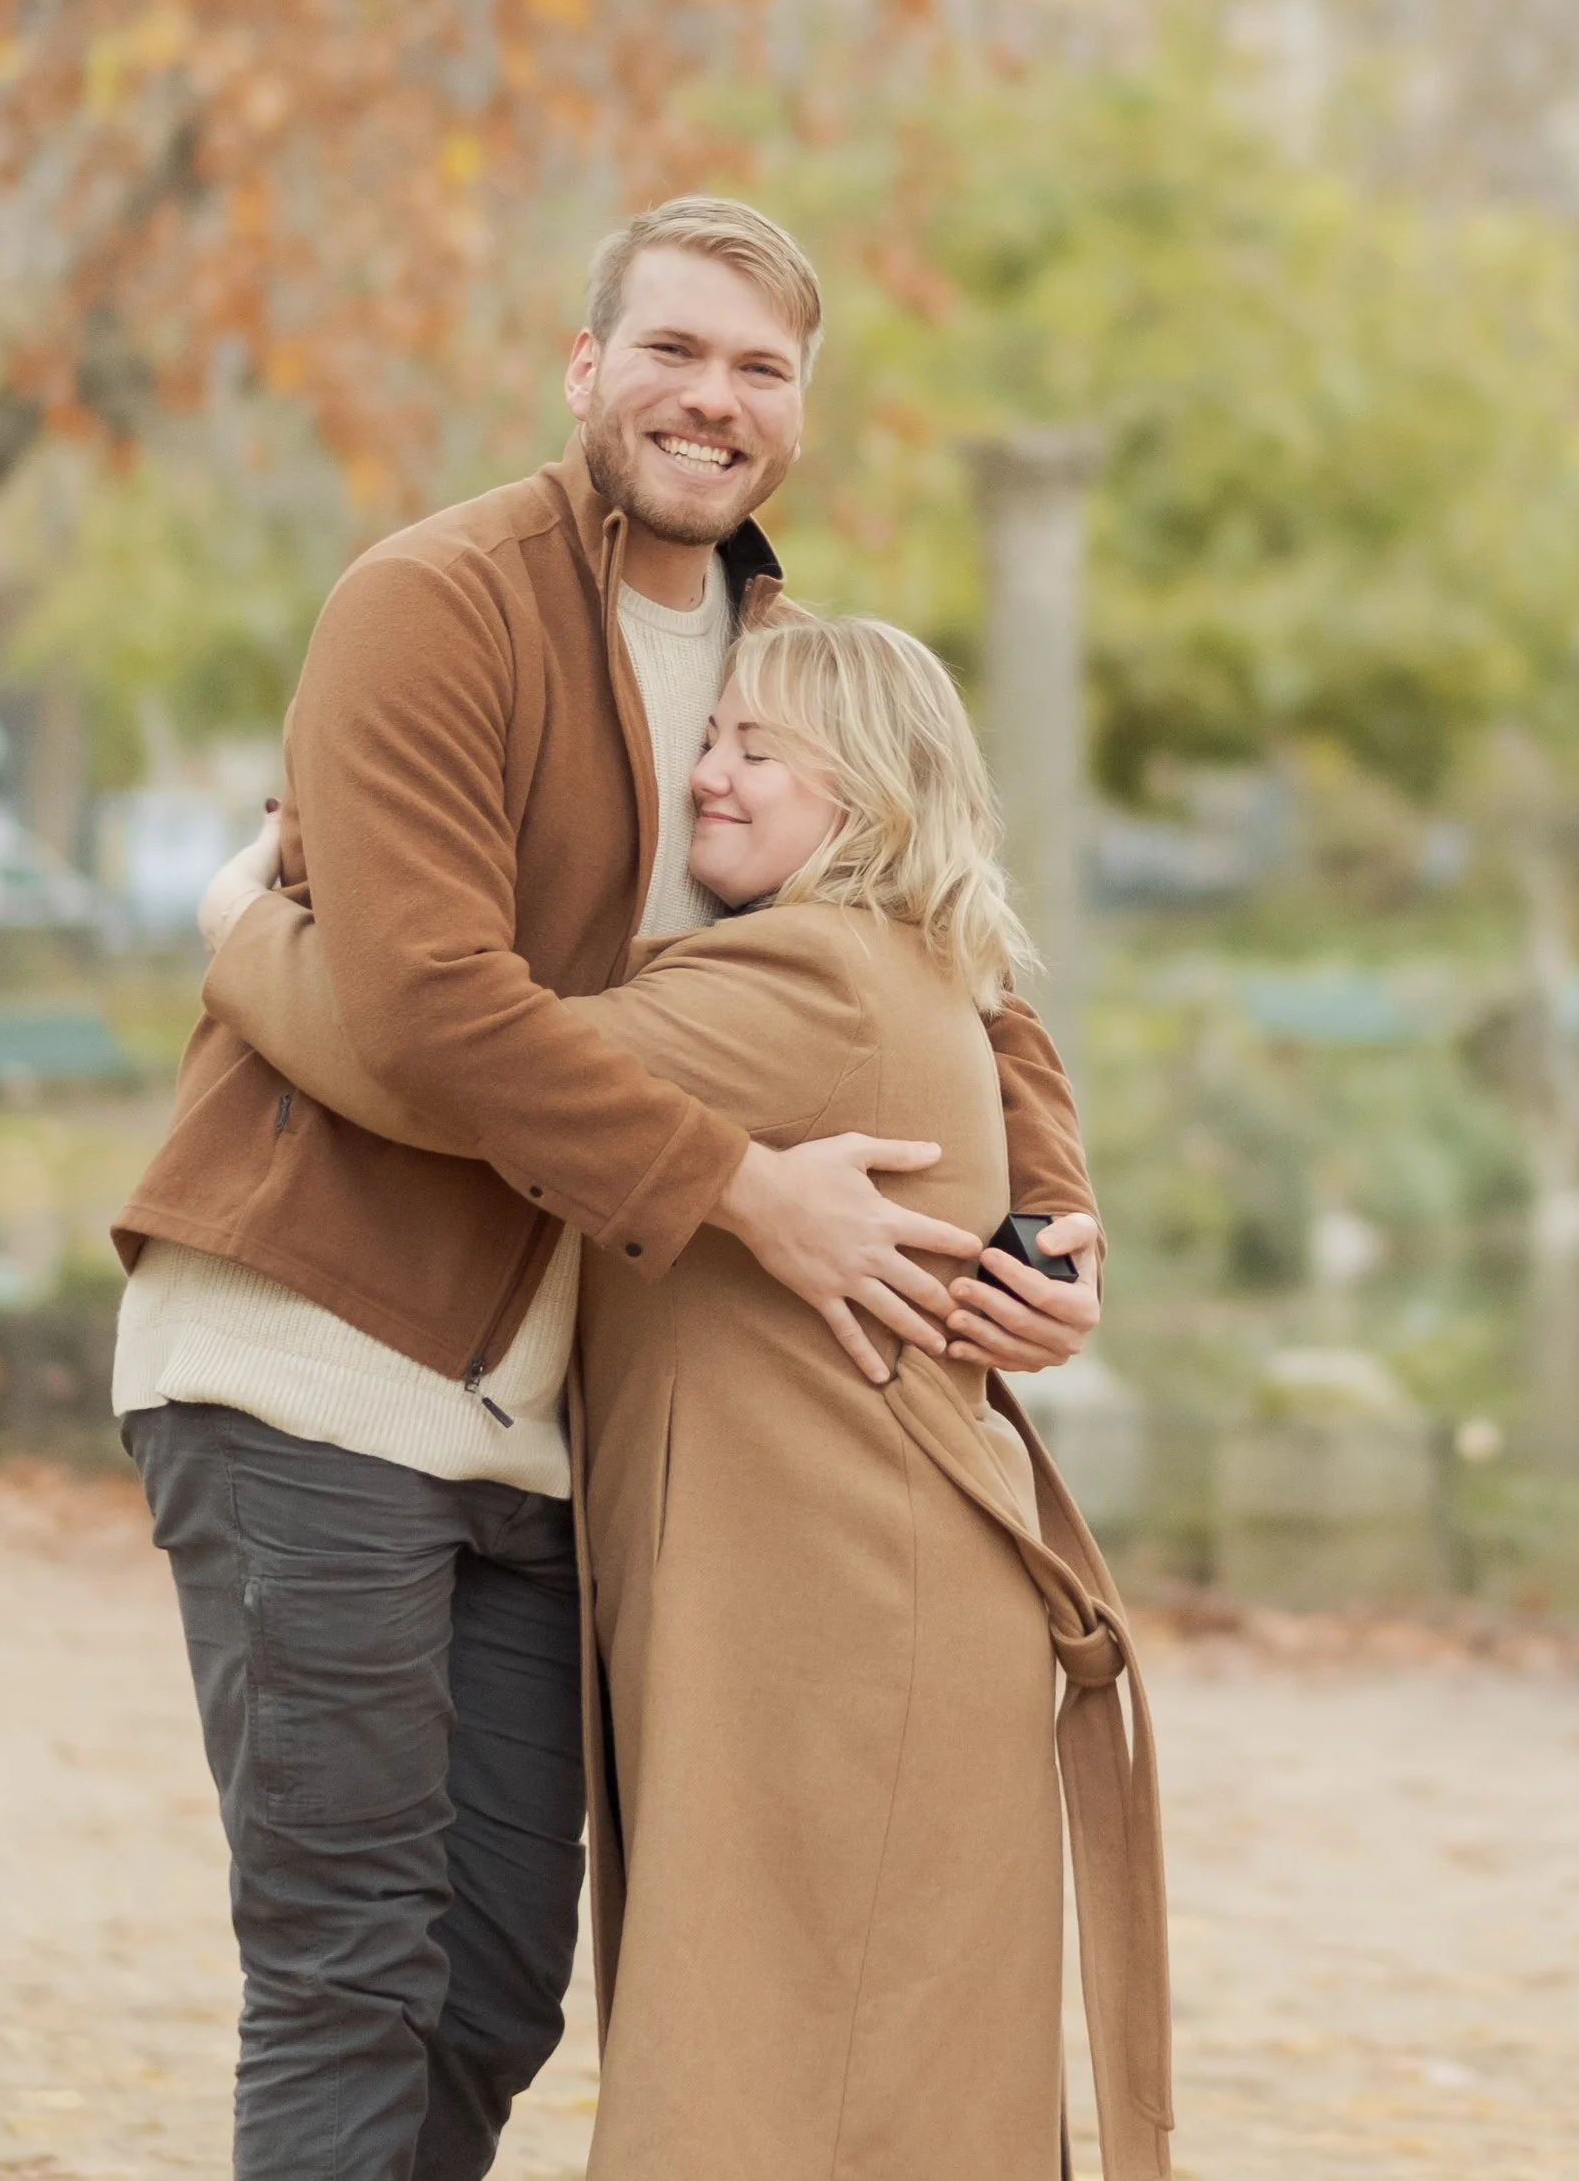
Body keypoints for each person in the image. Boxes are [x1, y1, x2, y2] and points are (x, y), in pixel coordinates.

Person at [109, 197, 1105, 2180]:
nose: (711, 398)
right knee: (352, 1967)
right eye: (672, 349)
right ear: (584, 370)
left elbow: (942, 927)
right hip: (327, 1346)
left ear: (799, 410)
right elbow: (424, 1007)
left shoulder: (781, 656)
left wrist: (1041, 1231)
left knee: (489, 1980)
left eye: (760, 366)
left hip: (553, 1419)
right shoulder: (438, 602)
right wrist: (742, 1187)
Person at [199, 615, 1172, 2181]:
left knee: (787, 2098)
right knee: (847, 2095)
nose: (705, 775)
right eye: (708, 737)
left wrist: (241, 921)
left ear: (866, 793)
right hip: (839, 1617)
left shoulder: (809, 975)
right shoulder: (893, 960)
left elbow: (450, 1070)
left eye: (753, 752)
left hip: (847, 1634)